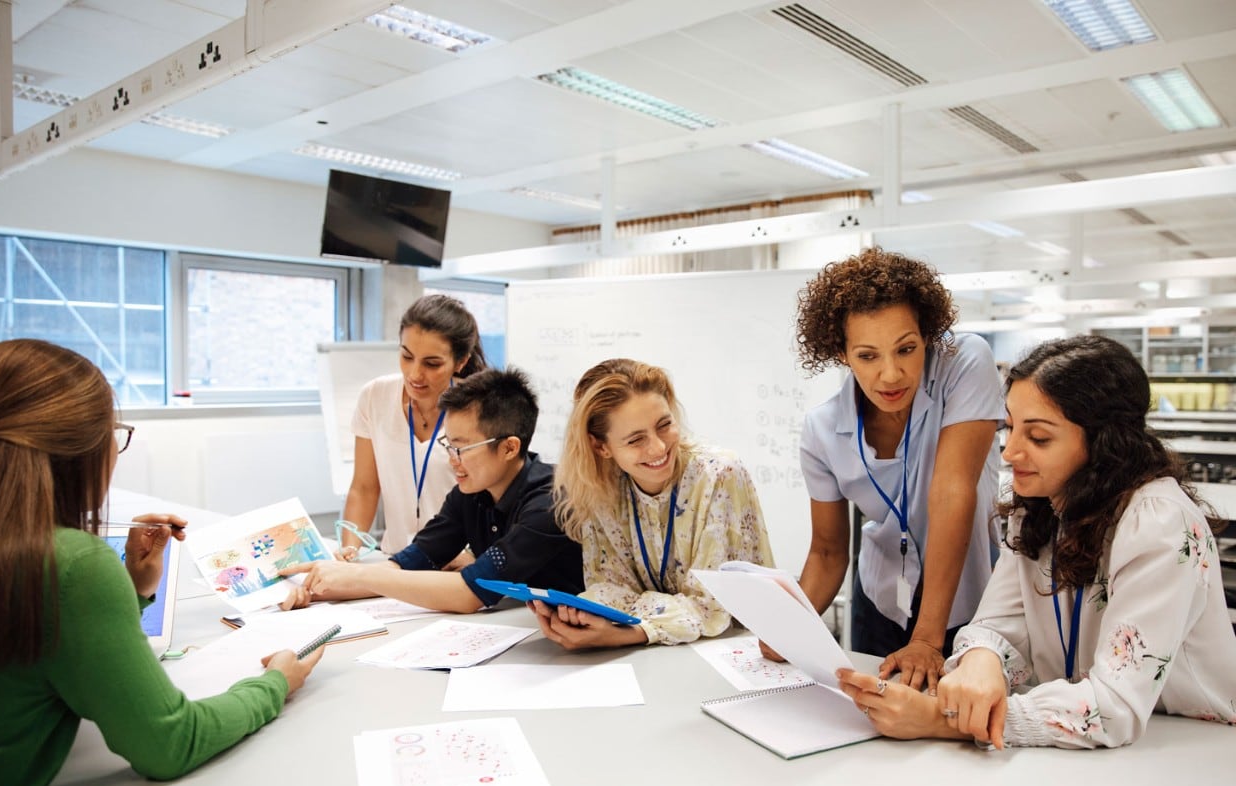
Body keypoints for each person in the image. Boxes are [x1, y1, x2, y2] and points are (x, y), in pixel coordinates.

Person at [0, 339, 323, 786]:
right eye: (116, 434)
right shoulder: (69, 563)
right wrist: (273, 686)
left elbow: (26, 649)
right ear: (81, 451)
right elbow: (169, 743)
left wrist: (133, 588)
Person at [838, 335, 1236, 748]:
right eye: (1009, 427)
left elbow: (1113, 706)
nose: (1009, 452)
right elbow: (996, 624)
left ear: (1105, 443)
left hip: (1188, 745)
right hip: (1083, 747)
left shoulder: (1158, 523)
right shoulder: (1040, 505)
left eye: (1039, 438)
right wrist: (982, 660)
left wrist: (945, 718)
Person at [786, 247, 1002, 690]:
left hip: (968, 593)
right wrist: (790, 630)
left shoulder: (964, 363)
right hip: (881, 598)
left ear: (927, 335)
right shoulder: (823, 429)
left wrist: (926, 638)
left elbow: (952, 491)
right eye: (868, 356)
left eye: (906, 348)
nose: (890, 375)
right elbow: (827, 553)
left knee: (955, 728)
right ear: (841, 353)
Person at [279, 367, 582, 613]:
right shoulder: (471, 492)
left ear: (508, 448)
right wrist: (319, 586)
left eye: (462, 448)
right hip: (525, 627)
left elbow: (469, 593)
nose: (453, 461)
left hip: (584, 647)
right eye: (448, 445)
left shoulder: (550, 501)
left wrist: (356, 574)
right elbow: (407, 564)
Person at [530, 358, 774, 649]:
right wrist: (579, 615)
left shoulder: (718, 474)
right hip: (653, 654)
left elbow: (711, 607)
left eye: (664, 425)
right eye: (635, 440)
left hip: (735, 653)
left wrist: (627, 632)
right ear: (601, 447)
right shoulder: (602, 488)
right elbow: (612, 590)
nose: (658, 448)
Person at [339, 293, 487, 561]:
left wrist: (474, 556)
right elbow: (364, 488)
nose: (415, 374)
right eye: (407, 356)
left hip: (456, 564)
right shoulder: (374, 396)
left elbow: (492, 499)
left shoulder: (479, 408)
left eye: (432, 364)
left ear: (461, 361)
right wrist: (350, 551)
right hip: (394, 559)